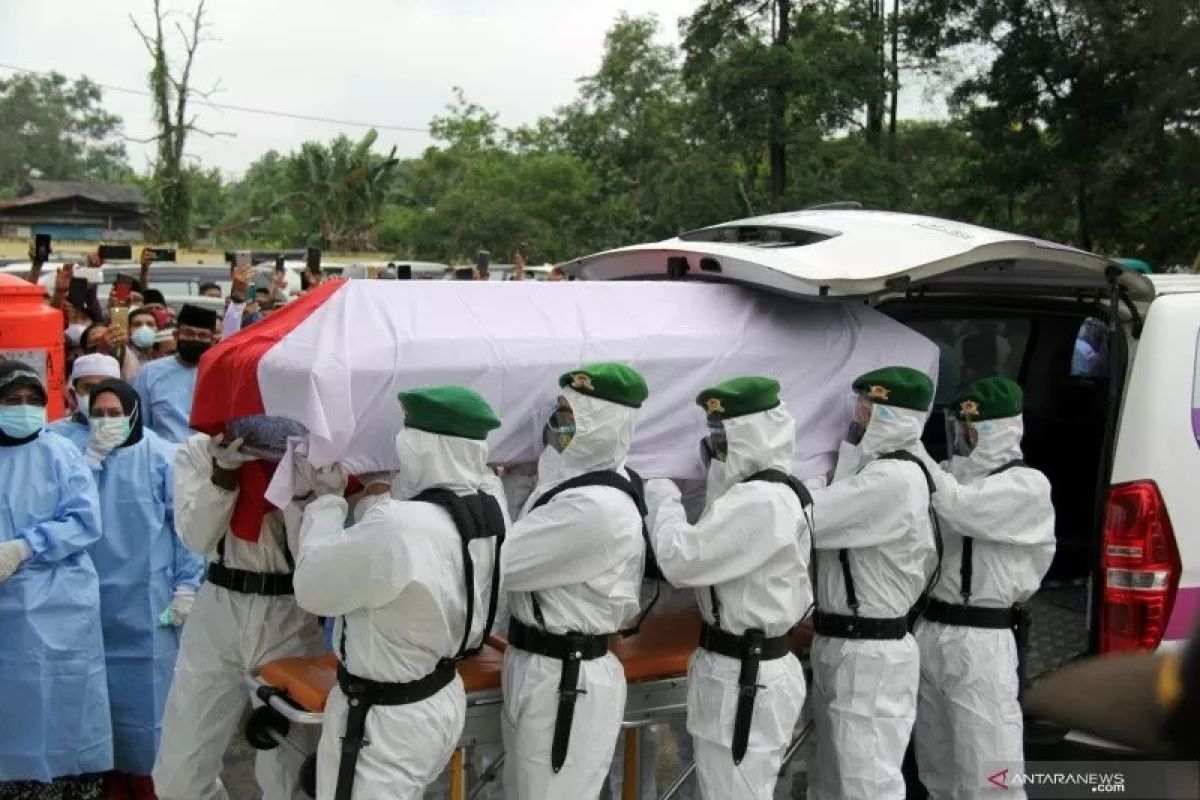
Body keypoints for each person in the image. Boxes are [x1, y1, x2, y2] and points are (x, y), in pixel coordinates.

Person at [293, 386, 507, 800]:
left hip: (382, 721)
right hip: (438, 698)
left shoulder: (398, 526)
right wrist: (380, 507)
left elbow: (312, 586)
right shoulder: (490, 505)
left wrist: (327, 503)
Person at [640, 377, 811, 799]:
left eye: (725, 436)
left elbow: (680, 559)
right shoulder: (758, 491)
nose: (717, 448)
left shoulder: (761, 500)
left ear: (751, 435)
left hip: (746, 677)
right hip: (737, 670)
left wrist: (660, 488)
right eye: (713, 435)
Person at [152, 421, 326, 800]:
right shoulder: (198, 451)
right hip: (218, 606)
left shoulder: (313, 452)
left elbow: (316, 554)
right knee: (180, 771)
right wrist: (223, 475)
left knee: (290, 771)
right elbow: (196, 537)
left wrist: (302, 492)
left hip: (288, 613)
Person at [501, 363, 649, 798]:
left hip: (566, 680)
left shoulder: (595, 506)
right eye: (559, 411)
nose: (559, 425)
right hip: (539, 664)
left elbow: (500, 562)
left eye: (571, 415)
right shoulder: (578, 482)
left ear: (601, 425)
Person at [913, 378, 1055, 799]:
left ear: (999, 431)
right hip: (933, 628)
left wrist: (911, 447)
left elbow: (962, 510)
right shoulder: (949, 476)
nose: (963, 438)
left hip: (982, 639)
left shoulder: (1026, 486)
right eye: (960, 428)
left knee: (990, 772)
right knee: (936, 767)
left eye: (972, 429)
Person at [807, 366, 938, 800]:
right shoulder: (872, 471)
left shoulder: (893, 479)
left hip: (870, 653)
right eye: (860, 403)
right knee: (829, 780)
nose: (859, 414)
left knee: (868, 784)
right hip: (842, 642)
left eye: (870, 406)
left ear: (893, 416)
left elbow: (813, 519)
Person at [84, 379, 206, 799]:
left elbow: (185, 530)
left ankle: (156, 786)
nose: (105, 422)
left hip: (148, 604)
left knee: (151, 704)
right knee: (101, 707)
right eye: (97, 413)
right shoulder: (80, 461)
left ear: (134, 412)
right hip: (93, 605)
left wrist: (187, 586)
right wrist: (90, 464)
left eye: (114, 413)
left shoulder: (161, 457)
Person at [0, 360, 111, 799]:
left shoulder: (61, 453)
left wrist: (24, 547)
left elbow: (85, 521)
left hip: (60, 603)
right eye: (12, 400)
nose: (24, 409)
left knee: (63, 703)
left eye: (33, 401)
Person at [132, 304, 217, 444]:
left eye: (203, 335)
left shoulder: (220, 373)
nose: (195, 339)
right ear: (176, 335)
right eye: (188, 333)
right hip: (163, 456)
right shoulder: (150, 372)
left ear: (212, 341)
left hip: (207, 457)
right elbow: (140, 425)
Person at [48, 353, 123, 451]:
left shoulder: (140, 438)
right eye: (90, 388)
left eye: (108, 387)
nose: (99, 394)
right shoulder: (52, 435)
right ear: (73, 395)